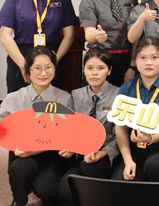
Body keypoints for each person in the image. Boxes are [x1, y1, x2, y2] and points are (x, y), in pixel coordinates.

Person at [0, 46, 74, 206]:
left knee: (46, 190)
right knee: (21, 168)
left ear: (55, 69)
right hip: (22, 153)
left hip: (52, 155)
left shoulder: (64, 98)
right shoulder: (13, 98)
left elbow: (64, 135)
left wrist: (35, 150)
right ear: (28, 71)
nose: (43, 73)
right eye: (37, 68)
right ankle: (18, 200)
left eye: (48, 67)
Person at [113, 36, 159, 182]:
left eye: (155, 57)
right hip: (135, 150)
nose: (148, 62)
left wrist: (152, 138)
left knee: (155, 165)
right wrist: (128, 160)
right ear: (135, 60)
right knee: (120, 181)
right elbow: (120, 127)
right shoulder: (126, 88)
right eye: (143, 57)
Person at [58, 50, 120, 205]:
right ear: (83, 70)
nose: (94, 73)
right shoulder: (76, 95)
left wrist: (104, 153)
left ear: (109, 70)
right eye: (90, 68)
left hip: (106, 152)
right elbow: (71, 128)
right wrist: (70, 146)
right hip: (81, 153)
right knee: (65, 190)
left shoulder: (119, 95)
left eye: (100, 68)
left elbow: (120, 135)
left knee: (90, 169)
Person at [79, 0, 137, 86]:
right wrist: (96, 36)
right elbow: (89, 35)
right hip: (100, 58)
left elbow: (135, 32)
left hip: (125, 58)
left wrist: (133, 65)